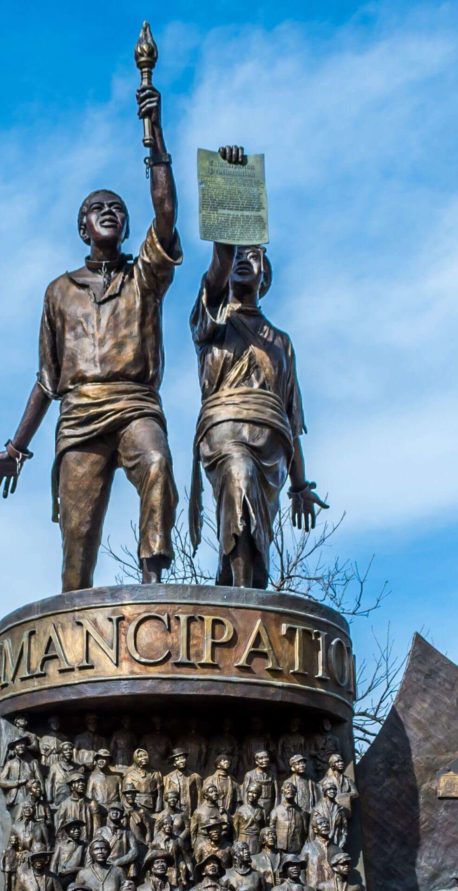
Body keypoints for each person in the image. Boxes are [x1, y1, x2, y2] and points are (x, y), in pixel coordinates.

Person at [0, 73, 183, 589]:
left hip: (134, 402)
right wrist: (17, 447)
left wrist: (155, 135)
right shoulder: (59, 291)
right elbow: (48, 380)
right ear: (83, 227)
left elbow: (166, 212)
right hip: (79, 415)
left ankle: (154, 578)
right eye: (99, 209)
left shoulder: (145, 276)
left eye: (117, 208)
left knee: (157, 463)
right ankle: (76, 641)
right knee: (78, 542)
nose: (110, 212)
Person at [188, 170, 323, 588]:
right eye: (238, 256)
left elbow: (290, 416)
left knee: (254, 532)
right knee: (238, 478)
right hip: (224, 433)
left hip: (273, 448)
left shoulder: (281, 342)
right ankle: (243, 599)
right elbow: (218, 264)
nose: (246, 260)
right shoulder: (210, 323)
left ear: (266, 278)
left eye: (257, 256)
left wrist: (299, 485)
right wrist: (230, 192)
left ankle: (233, 586)